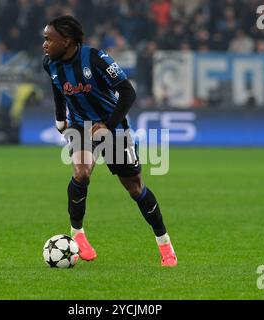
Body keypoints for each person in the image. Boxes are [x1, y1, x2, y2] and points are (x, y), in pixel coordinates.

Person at [42, 15, 177, 266]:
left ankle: (165, 244)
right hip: (80, 126)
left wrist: (108, 125)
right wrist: (61, 118)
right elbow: (57, 88)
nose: (44, 44)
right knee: (81, 173)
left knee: (135, 188)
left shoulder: (96, 58)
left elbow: (128, 92)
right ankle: (78, 234)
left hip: (113, 127)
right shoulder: (49, 63)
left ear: (67, 40)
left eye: (49, 39)